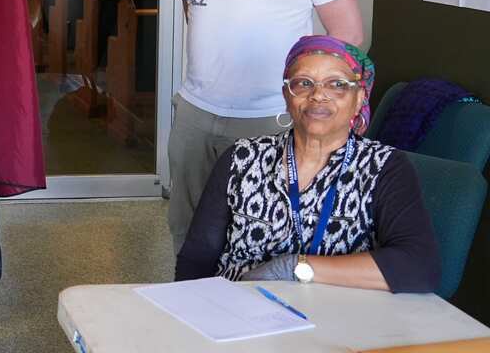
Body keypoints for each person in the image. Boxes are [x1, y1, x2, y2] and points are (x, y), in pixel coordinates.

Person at [169, 0, 365, 252]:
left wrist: (314, 107)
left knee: (263, 235)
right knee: (188, 231)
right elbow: (196, 14)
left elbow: (347, 38)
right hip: (196, 115)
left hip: (271, 116)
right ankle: (190, 309)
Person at [175, 35, 440, 291]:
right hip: (238, 312)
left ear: (359, 98)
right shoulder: (241, 158)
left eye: (336, 85)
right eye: (304, 83)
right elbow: (196, 260)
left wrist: (295, 267)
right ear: (286, 95)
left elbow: (419, 267)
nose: (317, 95)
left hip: (339, 319)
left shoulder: (384, 167)